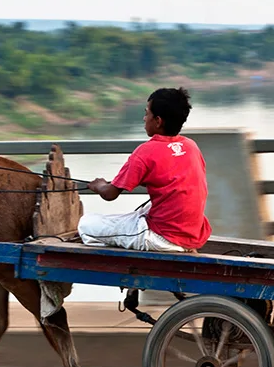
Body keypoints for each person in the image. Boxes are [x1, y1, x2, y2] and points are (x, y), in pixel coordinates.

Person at [78, 86, 212, 253]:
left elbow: (110, 194)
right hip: (192, 234)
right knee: (139, 213)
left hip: (162, 238)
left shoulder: (146, 152)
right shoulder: (191, 146)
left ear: (158, 121)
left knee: (86, 224)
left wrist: (99, 185)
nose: (144, 118)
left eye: (147, 113)